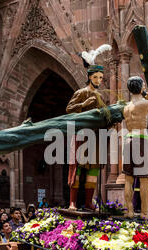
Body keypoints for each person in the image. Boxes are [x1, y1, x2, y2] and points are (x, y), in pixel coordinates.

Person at [65, 45, 111, 212]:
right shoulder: (81, 92)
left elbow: (104, 115)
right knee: (76, 169)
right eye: (96, 77)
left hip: (95, 137)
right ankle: (72, 202)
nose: (99, 80)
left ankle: (89, 202)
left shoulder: (100, 96)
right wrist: (84, 104)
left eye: (101, 78)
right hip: (80, 134)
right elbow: (69, 109)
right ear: (90, 77)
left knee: (92, 170)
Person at [122, 76, 148, 222]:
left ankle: (129, 211)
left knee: (128, 178)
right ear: (141, 87)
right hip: (141, 139)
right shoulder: (145, 103)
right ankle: (145, 212)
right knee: (144, 179)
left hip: (128, 139)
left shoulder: (126, 107)